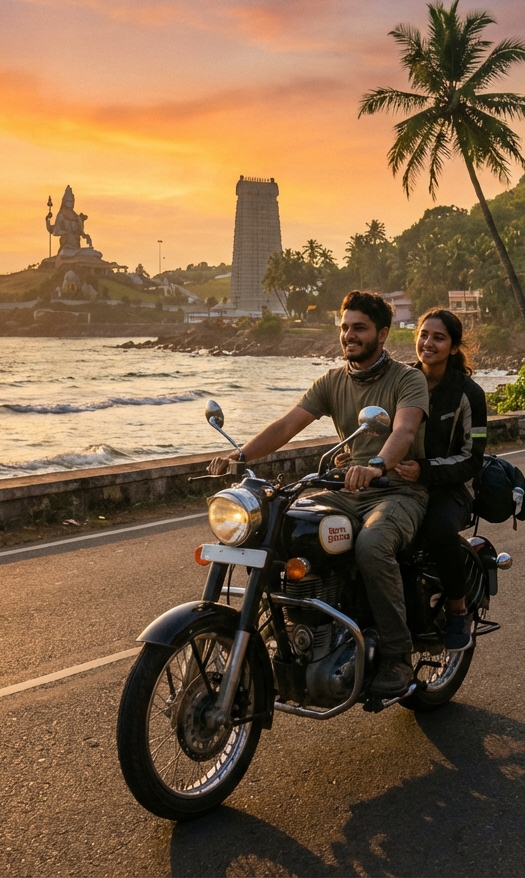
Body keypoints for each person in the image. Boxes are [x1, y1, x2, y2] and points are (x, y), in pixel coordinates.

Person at [208, 290, 429, 697]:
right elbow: (289, 423)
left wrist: (377, 465)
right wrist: (240, 454)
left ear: (382, 334)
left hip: (396, 491)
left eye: (359, 328)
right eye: (344, 327)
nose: (349, 335)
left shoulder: (408, 379)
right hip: (343, 488)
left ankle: (398, 655)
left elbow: (404, 431)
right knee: (282, 526)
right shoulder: (332, 380)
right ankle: (294, 629)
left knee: (373, 545)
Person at [394, 308, 488, 652]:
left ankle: (458, 608)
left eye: (438, 337)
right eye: (423, 334)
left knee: (437, 531)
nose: (427, 343)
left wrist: (426, 469)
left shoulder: (469, 394)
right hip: (402, 483)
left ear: (453, 346)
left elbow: (472, 457)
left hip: (452, 489)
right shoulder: (402, 380)